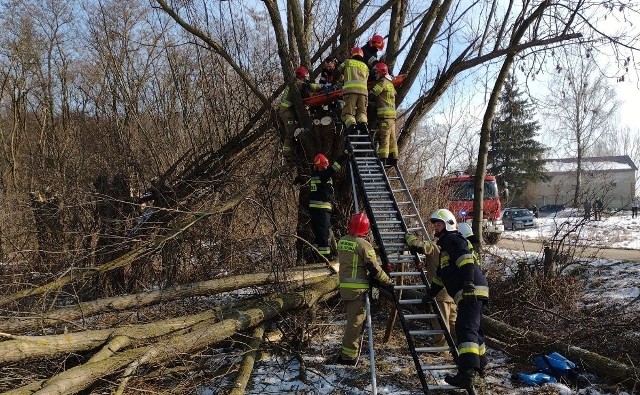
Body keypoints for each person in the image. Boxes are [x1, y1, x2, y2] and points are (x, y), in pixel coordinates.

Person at [422, 208, 489, 388]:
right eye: (435, 224)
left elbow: (466, 260)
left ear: (449, 224)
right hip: (472, 290)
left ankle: (466, 374)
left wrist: (468, 285)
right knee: (474, 329)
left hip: (471, 289)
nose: (436, 228)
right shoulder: (445, 249)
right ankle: (480, 365)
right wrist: (430, 295)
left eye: (439, 224)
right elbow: (439, 277)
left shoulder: (453, 240)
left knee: (464, 327)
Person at [336, 212, 394, 365]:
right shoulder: (364, 245)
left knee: (351, 322)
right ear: (366, 229)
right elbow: (373, 268)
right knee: (355, 325)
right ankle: (348, 358)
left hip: (345, 288)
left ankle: (346, 352)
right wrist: (387, 281)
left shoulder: (342, 241)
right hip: (358, 291)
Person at [405, 233, 456, 348]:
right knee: (453, 322)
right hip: (452, 292)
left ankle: (442, 349)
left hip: (438, 293)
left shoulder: (434, 246)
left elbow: (418, 245)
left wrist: (408, 236)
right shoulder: (453, 247)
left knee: (441, 323)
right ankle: (458, 347)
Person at [308, 150, 351, 261]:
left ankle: (316, 255)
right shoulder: (322, 175)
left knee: (318, 233)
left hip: (316, 209)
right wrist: (344, 155)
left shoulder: (316, 175)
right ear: (319, 167)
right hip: (321, 209)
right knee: (323, 233)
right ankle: (325, 257)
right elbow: (334, 168)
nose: (326, 169)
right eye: (324, 167)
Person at [279, 66, 328, 158]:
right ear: (303, 76)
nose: (307, 79)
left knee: (299, 128)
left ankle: (295, 149)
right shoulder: (297, 83)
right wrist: (323, 86)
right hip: (287, 111)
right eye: (306, 77)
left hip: (289, 110)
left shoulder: (294, 84)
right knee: (290, 131)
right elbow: (311, 87)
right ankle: (287, 153)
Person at [369, 62, 398, 168]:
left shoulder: (381, 82)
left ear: (381, 72)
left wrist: (367, 96)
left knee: (384, 136)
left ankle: (383, 159)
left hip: (384, 115)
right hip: (392, 115)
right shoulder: (390, 84)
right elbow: (394, 94)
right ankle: (394, 158)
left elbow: (373, 94)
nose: (375, 74)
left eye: (376, 72)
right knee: (392, 137)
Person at [339, 47, 369, 134]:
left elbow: (337, 72)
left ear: (352, 54)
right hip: (363, 94)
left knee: (347, 113)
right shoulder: (366, 67)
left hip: (350, 92)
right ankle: (363, 124)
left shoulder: (347, 62)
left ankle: (351, 125)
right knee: (362, 112)